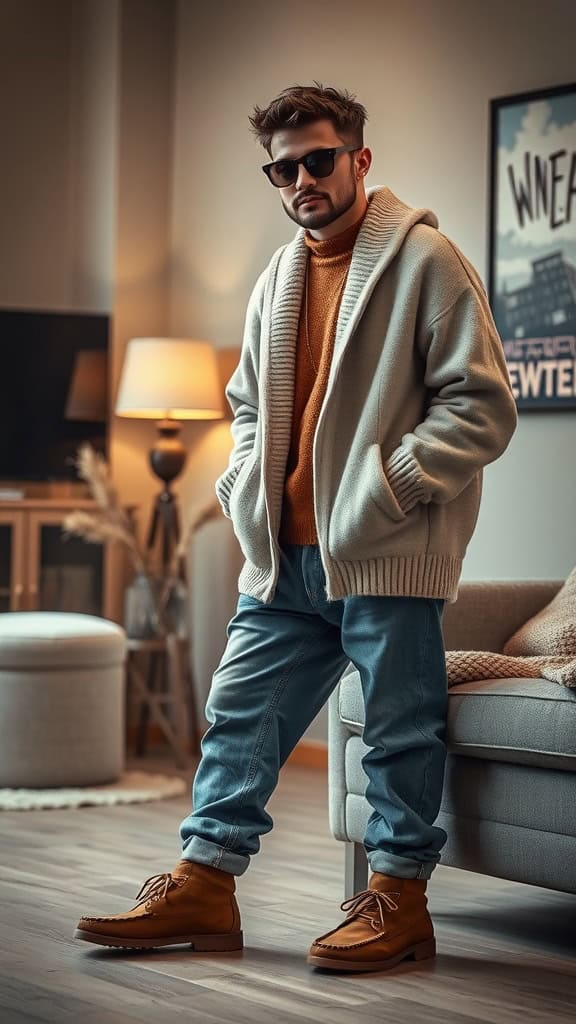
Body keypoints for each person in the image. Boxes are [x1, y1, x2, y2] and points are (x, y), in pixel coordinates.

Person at [75, 83, 518, 972]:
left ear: (358, 159)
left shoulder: (427, 261)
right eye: (284, 168)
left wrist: (385, 491)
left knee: (399, 731)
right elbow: (245, 404)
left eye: (319, 159)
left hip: (384, 552)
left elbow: (482, 406)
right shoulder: (279, 276)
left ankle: (397, 900)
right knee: (238, 715)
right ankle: (205, 885)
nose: (302, 179)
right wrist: (247, 484)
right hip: (284, 560)